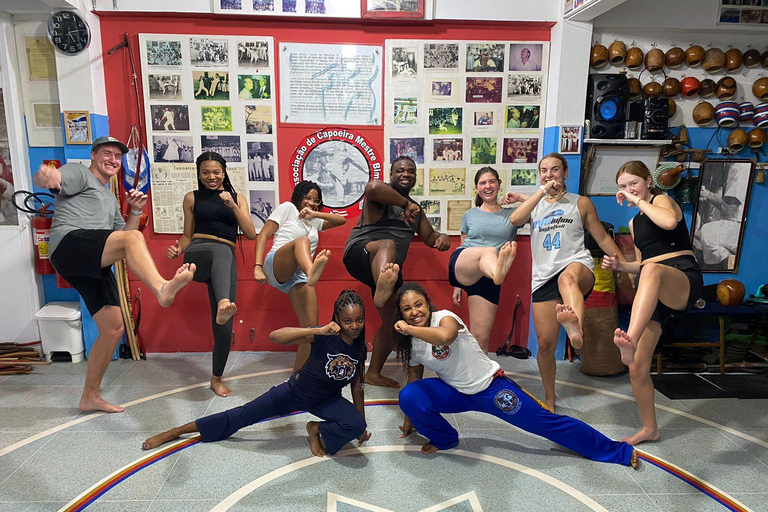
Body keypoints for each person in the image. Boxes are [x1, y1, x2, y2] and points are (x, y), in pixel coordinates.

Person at [393, 283, 638, 468]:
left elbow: (446, 337)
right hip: (455, 392)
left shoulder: (445, 317)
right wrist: (410, 416)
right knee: (410, 395)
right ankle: (444, 438)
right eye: (407, 309)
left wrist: (409, 330)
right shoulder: (412, 344)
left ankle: (615, 450)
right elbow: (415, 377)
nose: (414, 312)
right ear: (400, 313)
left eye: (418, 304)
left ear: (427, 303)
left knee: (545, 423)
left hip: (491, 388)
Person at [34, 136, 196, 413]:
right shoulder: (79, 172)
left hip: (92, 258)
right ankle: (161, 289)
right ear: (94, 155)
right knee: (132, 240)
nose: (112, 160)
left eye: (117, 157)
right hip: (69, 245)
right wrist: (46, 175)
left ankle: (89, 396)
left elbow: (123, 236)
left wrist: (135, 210)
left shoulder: (109, 197)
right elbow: (53, 178)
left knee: (113, 327)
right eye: (106, 154)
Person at [142, 290, 371, 457]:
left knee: (355, 425)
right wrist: (317, 329)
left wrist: (361, 422)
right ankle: (175, 431)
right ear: (337, 319)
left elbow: (357, 386)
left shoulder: (359, 347)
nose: (354, 326)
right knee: (241, 415)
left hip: (327, 400)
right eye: (348, 320)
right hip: (295, 392)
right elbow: (275, 336)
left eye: (359, 320)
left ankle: (315, 429)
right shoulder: (324, 335)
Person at [505, 152, 624, 412]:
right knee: (546, 344)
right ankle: (550, 397)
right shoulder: (535, 204)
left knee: (567, 279)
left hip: (577, 265)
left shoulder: (580, 203)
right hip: (543, 277)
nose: (550, 175)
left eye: (555, 170)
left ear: (565, 173)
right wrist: (536, 194)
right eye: (544, 171)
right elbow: (514, 220)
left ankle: (576, 333)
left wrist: (625, 264)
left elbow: (602, 237)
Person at [602, 161, 703, 445]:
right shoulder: (634, 223)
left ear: (648, 181)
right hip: (654, 284)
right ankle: (650, 428)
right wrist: (620, 266)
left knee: (654, 271)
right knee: (636, 366)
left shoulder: (663, 200)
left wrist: (637, 200)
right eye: (623, 187)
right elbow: (641, 264)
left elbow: (669, 223)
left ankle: (629, 338)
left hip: (682, 276)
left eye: (633, 183)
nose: (628, 190)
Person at [343, 156, 451, 388]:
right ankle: (382, 288)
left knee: (395, 322)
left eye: (411, 171)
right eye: (400, 170)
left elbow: (430, 237)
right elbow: (372, 187)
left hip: (388, 270)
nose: (405, 174)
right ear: (391, 174)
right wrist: (404, 205)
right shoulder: (383, 196)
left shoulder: (416, 211)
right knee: (388, 245)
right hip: (361, 254)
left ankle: (373, 373)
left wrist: (442, 238)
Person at [166, 152, 256, 397]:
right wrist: (178, 248)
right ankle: (224, 302)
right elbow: (187, 235)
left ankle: (216, 378)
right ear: (199, 174)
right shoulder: (191, 198)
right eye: (205, 172)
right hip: (198, 255)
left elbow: (250, 233)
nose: (211, 177)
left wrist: (232, 205)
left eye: (216, 172)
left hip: (223, 262)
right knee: (222, 250)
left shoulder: (237, 198)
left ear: (224, 173)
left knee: (224, 327)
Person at [254, 181, 346, 372]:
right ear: (299, 197)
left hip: (300, 276)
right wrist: (258, 266)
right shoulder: (287, 208)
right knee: (301, 241)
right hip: (278, 264)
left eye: (316, 200)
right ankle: (312, 271)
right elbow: (263, 235)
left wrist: (315, 214)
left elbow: (341, 221)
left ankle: (298, 379)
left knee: (311, 330)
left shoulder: (314, 220)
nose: (311, 202)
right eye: (308, 198)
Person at [449, 167, 528, 352]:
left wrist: (519, 198)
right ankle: (499, 269)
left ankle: (480, 378)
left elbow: (541, 207)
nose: (488, 186)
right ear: (477, 188)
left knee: (481, 337)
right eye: (483, 183)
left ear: (499, 185)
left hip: (489, 276)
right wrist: (457, 286)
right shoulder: (470, 214)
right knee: (490, 251)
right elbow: (463, 243)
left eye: (492, 181)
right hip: (466, 265)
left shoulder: (512, 215)